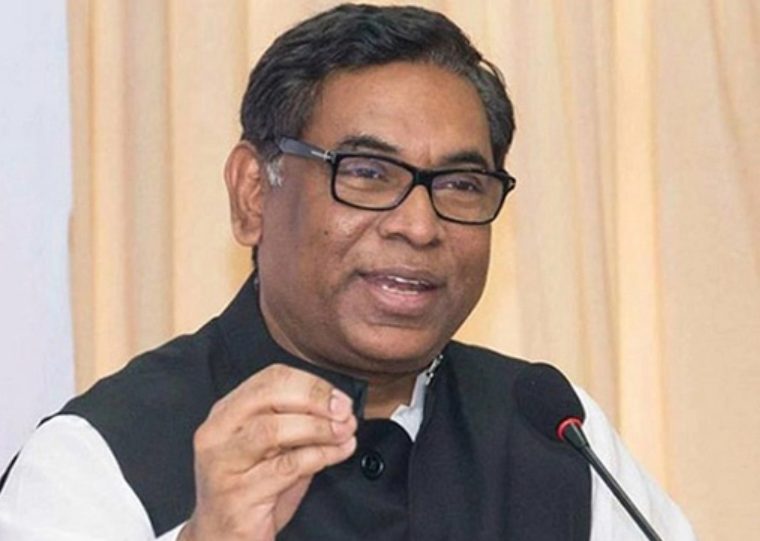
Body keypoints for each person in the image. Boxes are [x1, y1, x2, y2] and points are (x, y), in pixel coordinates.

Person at [0, 4, 696, 540]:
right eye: (366, 172)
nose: (418, 225)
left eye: (459, 184)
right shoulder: (96, 462)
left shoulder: (555, 433)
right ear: (253, 194)